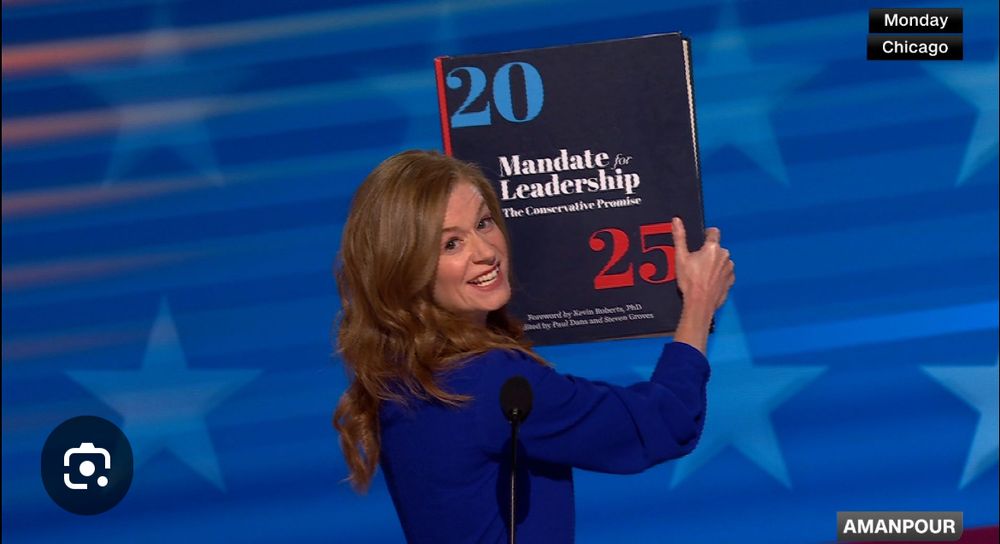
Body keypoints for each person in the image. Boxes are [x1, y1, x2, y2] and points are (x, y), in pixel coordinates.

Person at [333, 150, 734, 543]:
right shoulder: (489, 381)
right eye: (451, 245)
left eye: (484, 223)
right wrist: (698, 302)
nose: (486, 252)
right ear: (405, 269)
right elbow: (666, 422)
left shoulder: (401, 372)